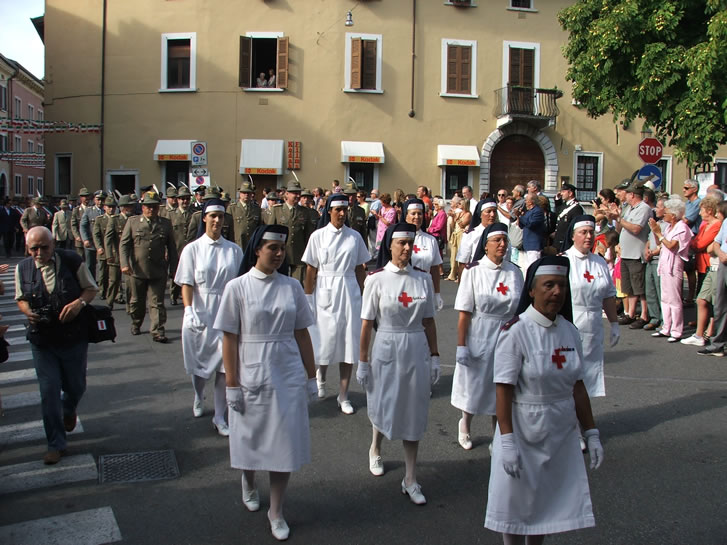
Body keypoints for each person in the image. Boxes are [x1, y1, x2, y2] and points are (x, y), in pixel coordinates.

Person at [485, 255, 603, 544]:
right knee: (514, 505)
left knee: (546, 506)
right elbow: (503, 390)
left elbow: (577, 386)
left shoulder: (569, 331)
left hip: (559, 430)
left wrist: (591, 431)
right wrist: (508, 440)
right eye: (548, 285)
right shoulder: (515, 332)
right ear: (532, 290)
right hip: (523, 427)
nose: (556, 292)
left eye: (561, 286)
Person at [215, 224, 317, 542]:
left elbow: (302, 332)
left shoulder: (292, 287)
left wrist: (311, 376)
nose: (277, 253)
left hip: (286, 371)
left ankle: (276, 510)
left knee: (283, 443)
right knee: (251, 437)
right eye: (271, 247)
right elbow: (229, 338)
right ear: (257, 249)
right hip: (250, 369)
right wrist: (231, 383)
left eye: (281, 249)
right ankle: (248, 478)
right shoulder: (238, 287)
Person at [357, 222, 440, 504]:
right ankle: (376, 448)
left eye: (410, 243)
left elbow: (428, 320)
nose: (406, 248)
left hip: (415, 345)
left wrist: (436, 355)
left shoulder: (423, 279)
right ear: (388, 245)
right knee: (383, 399)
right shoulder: (376, 279)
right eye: (401, 243)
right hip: (387, 344)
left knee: (414, 409)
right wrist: (363, 361)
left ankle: (411, 478)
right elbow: (367, 324)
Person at [15, 226, 98, 464]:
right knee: (48, 391)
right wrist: (28, 311)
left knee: (76, 386)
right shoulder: (23, 268)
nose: (39, 253)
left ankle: (69, 408)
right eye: (34, 248)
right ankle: (55, 444)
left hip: (73, 337)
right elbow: (20, 297)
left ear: (53, 244)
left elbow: (91, 288)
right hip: (43, 340)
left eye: (44, 247)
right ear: (27, 247)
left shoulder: (71, 260)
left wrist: (78, 304)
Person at [175, 199, 244, 436]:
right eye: (212, 216)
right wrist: (188, 309)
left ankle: (219, 416)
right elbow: (186, 282)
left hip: (225, 311)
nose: (216, 220)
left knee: (225, 367)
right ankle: (197, 394)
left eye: (220, 217)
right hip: (200, 311)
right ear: (204, 217)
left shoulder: (234, 250)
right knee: (199, 366)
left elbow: (239, 284)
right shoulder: (192, 249)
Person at [453, 223, 523, 452]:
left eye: (505, 240)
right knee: (475, 383)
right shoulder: (473, 271)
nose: (502, 244)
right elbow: (464, 312)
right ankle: (465, 423)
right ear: (486, 245)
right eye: (497, 240)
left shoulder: (514, 272)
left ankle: (499, 434)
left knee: (503, 384)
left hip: (507, 334)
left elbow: (521, 310)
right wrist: (461, 345)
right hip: (481, 333)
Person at [303, 193, 369, 412]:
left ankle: (343, 394)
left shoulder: (355, 237)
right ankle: (320, 378)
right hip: (325, 291)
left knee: (348, 343)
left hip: (349, 291)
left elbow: (360, 268)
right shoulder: (318, 236)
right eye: (337, 210)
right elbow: (311, 269)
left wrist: (365, 294)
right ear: (329, 211)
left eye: (345, 210)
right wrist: (309, 298)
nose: (341, 214)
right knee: (324, 340)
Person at [562, 215, 620, 398]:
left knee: (589, 373)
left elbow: (609, 294)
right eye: (583, 232)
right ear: (573, 236)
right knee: (569, 373)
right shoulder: (564, 261)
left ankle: (583, 420)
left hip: (593, 323)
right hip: (570, 322)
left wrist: (614, 323)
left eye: (591, 232)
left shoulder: (599, 262)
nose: (588, 236)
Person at [120, 191, 178, 342]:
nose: (151, 209)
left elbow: (171, 248)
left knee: (157, 303)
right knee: (137, 302)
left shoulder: (165, 224)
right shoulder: (133, 222)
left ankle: (157, 330)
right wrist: (125, 264)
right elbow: (124, 245)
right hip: (137, 270)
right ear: (142, 207)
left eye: (154, 206)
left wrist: (174, 269)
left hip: (158, 270)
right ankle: (136, 322)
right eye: (148, 206)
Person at [649, 198, 693, 342]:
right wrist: (656, 232)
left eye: (666, 211)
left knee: (674, 299)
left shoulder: (682, 228)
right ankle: (666, 327)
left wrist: (659, 234)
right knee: (665, 297)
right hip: (665, 264)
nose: (664, 214)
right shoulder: (668, 227)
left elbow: (672, 245)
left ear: (673, 215)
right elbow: (660, 244)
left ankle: (676, 330)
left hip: (674, 265)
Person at [683, 198, 724, 346]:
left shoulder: (717, 225)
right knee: (702, 299)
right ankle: (701, 332)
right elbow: (695, 242)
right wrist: (696, 243)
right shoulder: (704, 225)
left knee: (712, 301)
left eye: (702, 210)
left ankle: (709, 331)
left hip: (712, 265)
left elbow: (700, 244)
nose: (699, 212)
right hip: (702, 264)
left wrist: (696, 243)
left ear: (710, 211)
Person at [264, 180, 315, 285]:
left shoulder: (305, 212)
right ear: (287, 194)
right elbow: (270, 233)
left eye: (298, 193)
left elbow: (309, 236)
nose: (297, 195)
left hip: (298, 255)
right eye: (294, 193)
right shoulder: (277, 210)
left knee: (297, 285)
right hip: (280, 254)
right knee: (278, 285)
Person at [615, 184, 651, 329]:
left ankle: (644, 314)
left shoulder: (644, 208)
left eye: (627, 193)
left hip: (636, 253)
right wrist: (616, 218)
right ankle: (630, 313)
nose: (625, 195)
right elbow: (620, 228)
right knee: (628, 286)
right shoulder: (629, 208)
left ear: (633, 195)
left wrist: (620, 219)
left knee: (639, 287)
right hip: (626, 253)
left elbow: (636, 229)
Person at [401, 198, 444, 311]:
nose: (417, 217)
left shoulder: (430, 240)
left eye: (419, 213)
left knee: (425, 324)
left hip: (425, 288)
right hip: (403, 288)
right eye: (413, 213)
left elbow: (434, 268)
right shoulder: (397, 239)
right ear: (406, 216)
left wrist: (437, 293)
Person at [104, 194, 135, 309]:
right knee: (114, 281)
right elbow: (108, 238)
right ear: (124, 207)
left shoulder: (133, 219)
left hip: (129, 257)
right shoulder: (114, 220)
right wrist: (109, 255)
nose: (132, 208)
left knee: (130, 283)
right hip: (116, 255)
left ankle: (130, 305)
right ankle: (110, 302)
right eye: (129, 206)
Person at [92, 196, 116, 302]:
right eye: (109, 207)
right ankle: (102, 291)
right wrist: (99, 247)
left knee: (115, 275)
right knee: (103, 273)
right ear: (105, 207)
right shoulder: (100, 220)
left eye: (113, 207)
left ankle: (117, 295)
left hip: (115, 251)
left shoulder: (117, 219)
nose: (111, 209)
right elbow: (96, 235)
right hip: (103, 250)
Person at [228, 180, 262, 251]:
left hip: (251, 244)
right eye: (244, 193)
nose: (246, 195)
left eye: (249, 193)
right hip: (237, 244)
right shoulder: (232, 208)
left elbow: (259, 227)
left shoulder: (256, 209)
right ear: (240, 194)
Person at [515, 194, 546, 270]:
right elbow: (522, 225)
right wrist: (518, 216)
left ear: (531, 201)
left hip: (534, 245)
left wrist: (521, 216)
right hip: (527, 244)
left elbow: (531, 224)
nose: (525, 202)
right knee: (526, 268)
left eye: (526, 200)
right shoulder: (529, 212)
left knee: (533, 267)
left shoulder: (538, 211)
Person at [552, 183, 584, 250]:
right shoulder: (565, 204)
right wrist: (557, 200)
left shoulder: (576, 207)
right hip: (559, 240)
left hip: (566, 241)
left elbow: (574, 225)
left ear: (570, 193)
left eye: (563, 192)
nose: (561, 194)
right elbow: (558, 213)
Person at [373, 193, 396, 257]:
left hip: (386, 231)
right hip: (380, 231)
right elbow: (379, 218)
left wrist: (380, 217)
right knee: (379, 247)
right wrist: (376, 214)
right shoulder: (382, 208)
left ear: (385, 202)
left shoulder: (392, 211)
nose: (381, 203)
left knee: (385, 247)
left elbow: (388, 223)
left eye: (381, 202)